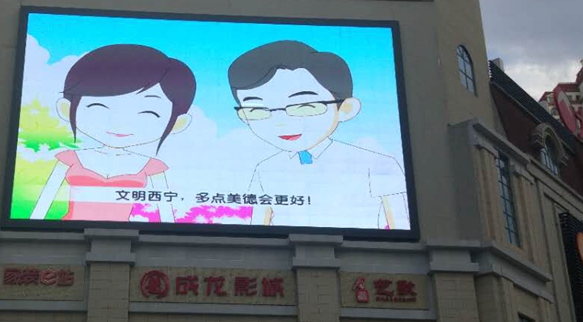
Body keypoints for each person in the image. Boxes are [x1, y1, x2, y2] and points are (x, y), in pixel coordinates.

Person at [228, 40, 409, 229]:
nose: (280, 122)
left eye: (303, 106)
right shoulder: (265, 169)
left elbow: (400, 224)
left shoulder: (377, 164)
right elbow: (258, 227)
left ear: (346, 108)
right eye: (257, 110)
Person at [30, 44, 196, 223]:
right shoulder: (69, 158)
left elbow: (166, 213)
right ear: (65, 109)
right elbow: (43, 203)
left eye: (148, 112)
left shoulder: (152, 167)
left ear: (178, 123)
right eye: (98, 106)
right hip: (69, 231)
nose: (121, 123)